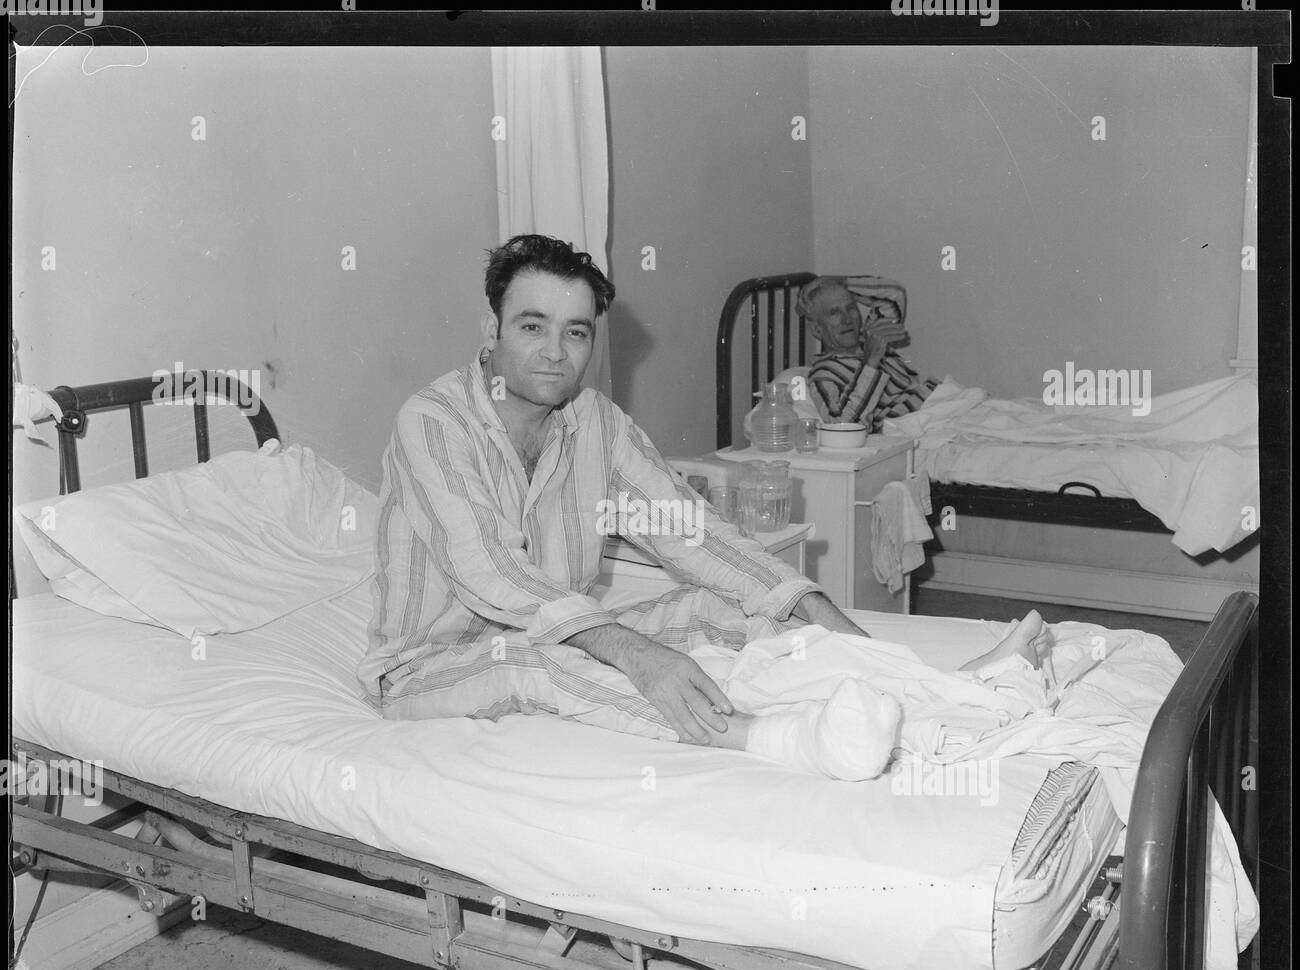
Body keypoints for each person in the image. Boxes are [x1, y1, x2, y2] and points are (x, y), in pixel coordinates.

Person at [358, 234, 1045, 780]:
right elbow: (492, 575)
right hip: (430, 665)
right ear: (491, 326)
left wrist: (812, 610)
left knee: (727, 609)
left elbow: (690, 533)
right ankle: (791, 742)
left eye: (575, 333)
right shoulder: (433, 422)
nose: (554, 352)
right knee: (540, 664)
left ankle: (933, 695)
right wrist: (636, 655)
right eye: (532, 326)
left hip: (557, 628)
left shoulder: (592, 420)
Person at [795, 275, 938, 430]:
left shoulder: (871, 336)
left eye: (851, 308)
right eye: (834, 313)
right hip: (915, 424)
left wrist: (840, 282)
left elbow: (894, 295)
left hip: (938, 403)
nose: (847, 319)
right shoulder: (824, 373)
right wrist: (870, 363)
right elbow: (842, 425)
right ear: (817, 329)